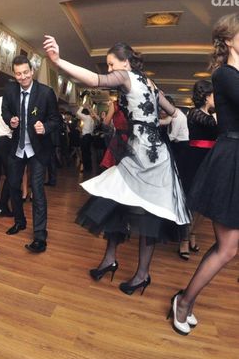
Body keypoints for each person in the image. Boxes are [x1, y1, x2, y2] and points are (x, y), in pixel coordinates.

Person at [44, 37, 190, 294]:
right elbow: (175, 112)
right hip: (154, 156)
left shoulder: (125, 76)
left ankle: (141, 275)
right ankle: (112, 261)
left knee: (142, 213)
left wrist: (58, 61)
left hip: (142, 156)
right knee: (120, 204)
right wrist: (157, 125)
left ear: (126, 62)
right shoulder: (150, 83)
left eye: (112, 64)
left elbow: (94, 80)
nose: (110, 69)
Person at [169, 12, 239, 336]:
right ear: (228, 41)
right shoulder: (224, 74)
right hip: (230, 159)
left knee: (228, 247)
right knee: (228, 248)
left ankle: (185, 300)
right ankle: (183, 302)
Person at [1, 55, 61, 253]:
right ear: (14, 74)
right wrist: (10, 121)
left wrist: (45, 127)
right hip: (17, 147)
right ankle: (19, 221)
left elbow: (56, 120)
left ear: (32, 71)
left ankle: (40, 236)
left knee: (37, 189)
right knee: (12, 186)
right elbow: (5, 111)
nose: (23, 77)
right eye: (18, 74)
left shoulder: (46, 92)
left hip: (38, 149)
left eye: (26, 72)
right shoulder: (9, 90)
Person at [177, 80, 217, 260]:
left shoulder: (213, 114)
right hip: (194, 159)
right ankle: (184, 239)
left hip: (210, 159)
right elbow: (210, 123)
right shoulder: (194, 113)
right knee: (191, 201)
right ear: (207, 96)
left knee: (203, 203)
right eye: (214, 95)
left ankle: (192, 233)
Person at [76, 105, 96, 174]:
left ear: (84, 114)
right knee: (88, 153)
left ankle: (85, 168)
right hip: (90, 136)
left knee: (84, 153)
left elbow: (78, 113)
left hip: (85, 137)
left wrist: (82, 106)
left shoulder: (86, 117)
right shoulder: (92, 119)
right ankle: (89, 167)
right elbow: (92, 130)